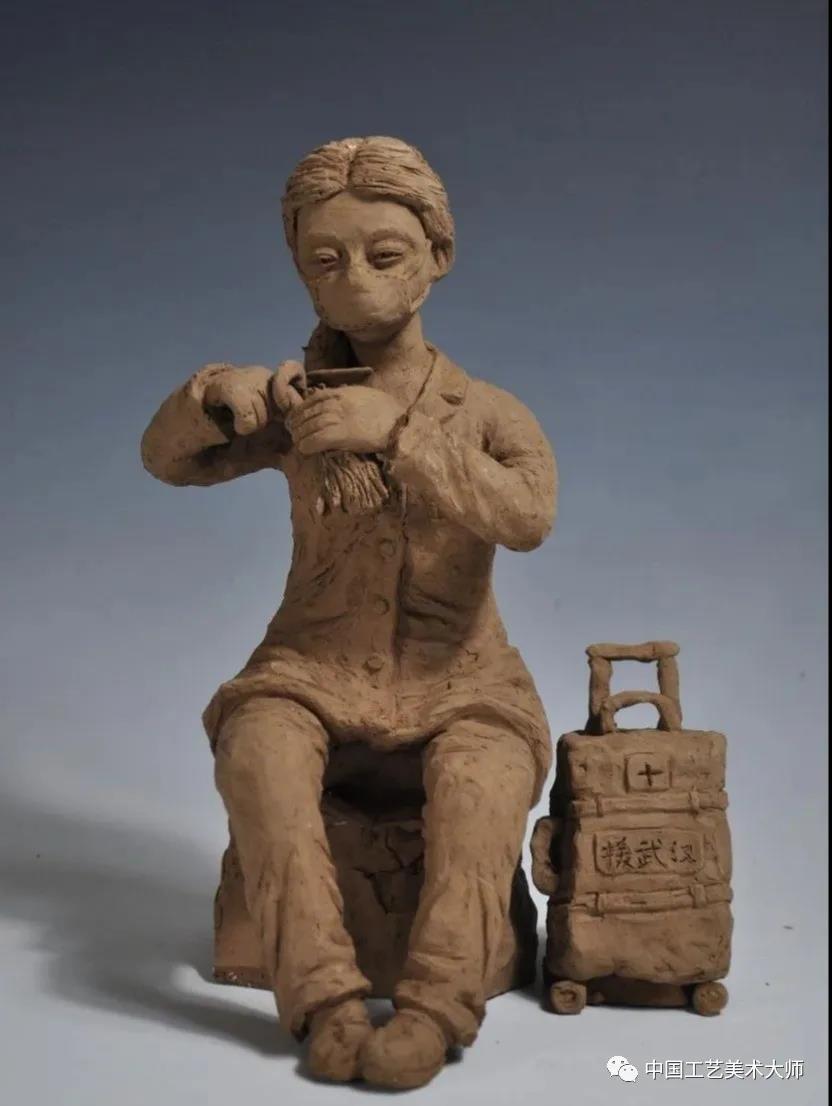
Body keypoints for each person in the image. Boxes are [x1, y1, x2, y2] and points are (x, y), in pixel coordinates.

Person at [140, 135, 558, 1090]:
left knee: (481, 783)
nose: (355, 278)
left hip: (465, 681)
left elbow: (528, 517)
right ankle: (322, 1000)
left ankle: (435, 1009)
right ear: (299, 268)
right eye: (324, 259)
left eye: (385, 253)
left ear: (437, 256)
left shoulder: (488, 412)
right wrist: (215, 396)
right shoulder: (299, 404)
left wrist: (401, 433)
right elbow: (168, 461)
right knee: (258, 749)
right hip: (311, 668)